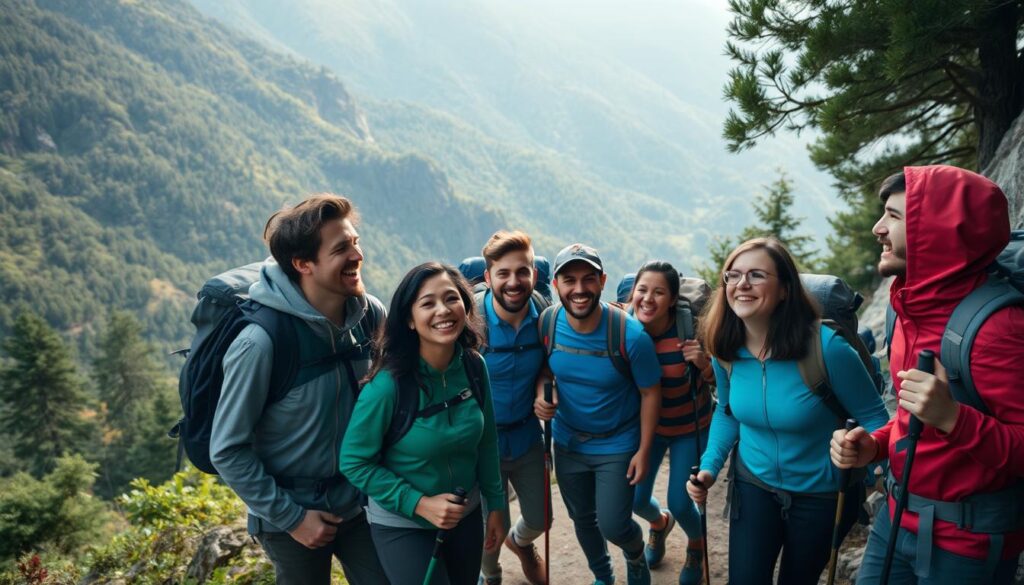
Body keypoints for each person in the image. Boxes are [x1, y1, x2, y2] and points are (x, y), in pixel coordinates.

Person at [830, 166, 1024, 584]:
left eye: (895, 217)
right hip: (896, 518)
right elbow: (908, 419)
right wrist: (875, 447)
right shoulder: (905, 308)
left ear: (935, 230)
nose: (877, 228)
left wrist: (954, 419)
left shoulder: (997, 328)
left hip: (967, 544)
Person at [687, 237, 888, 585]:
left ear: (784, 290)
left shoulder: (827, 350)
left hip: (822, 495)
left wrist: (866, 450)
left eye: (756, 275)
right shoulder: (725, 348)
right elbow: (729, 411)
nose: (741, 284)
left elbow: (876, 419)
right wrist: (708, 468)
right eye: (732, 276)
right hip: (753, 486)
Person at [210, 194, 388, 585]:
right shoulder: (260, 343)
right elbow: (226, 448)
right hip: (289, 515)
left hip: (360, 502)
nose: (357, 255)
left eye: (355, 242)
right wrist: (292, 519)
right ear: (303, 264)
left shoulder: (369, 316)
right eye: (341, 248)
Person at [339, 262, 506, 585]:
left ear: (466, 305)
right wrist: (419, 503)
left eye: (451, 299)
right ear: (409, 320)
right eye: (427, 303)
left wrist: (496, 505)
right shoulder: (388, 386)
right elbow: (354, 461)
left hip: (465, 515)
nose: (443, 311)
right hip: (404, 525)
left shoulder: (473, 366)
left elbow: (486, 441)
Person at [533, 243, 662, 585]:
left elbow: (651, 392)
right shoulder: (547, 323)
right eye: (569, 280)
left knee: (614, 523)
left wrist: (644, 451)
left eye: (588, 279)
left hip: (617, 444)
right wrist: (544, 393)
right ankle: (603, 576)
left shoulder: (629, 335)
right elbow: (545, 370)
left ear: (602, 281)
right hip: (568, 441)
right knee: (582, 518)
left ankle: (634, 555)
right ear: (557, 284)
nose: (579, 289)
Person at [626, 261, 713, 584]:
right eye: (642, 290)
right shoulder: (625, 327)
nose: (648, 299)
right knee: (635, 499)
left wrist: (704, 363)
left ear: (673, 299)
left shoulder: (690, 329)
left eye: (659, 292)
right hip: (648, 430)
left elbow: (724, 379)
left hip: (690, 426)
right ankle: (660, 524)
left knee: (680, 499)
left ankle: (695, 544)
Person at [477, 231, 550, 585]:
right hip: (480, 444)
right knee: (491, 528)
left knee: (540, 519)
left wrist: (542, 387)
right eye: (503, 273)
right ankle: (490, 575)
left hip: (525, 437)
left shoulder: (547, 320)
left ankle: (521, 544)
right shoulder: (471, 322)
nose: (513, 281)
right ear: (488, 277)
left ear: (534, 274)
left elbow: (552, 364)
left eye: (522, 271)